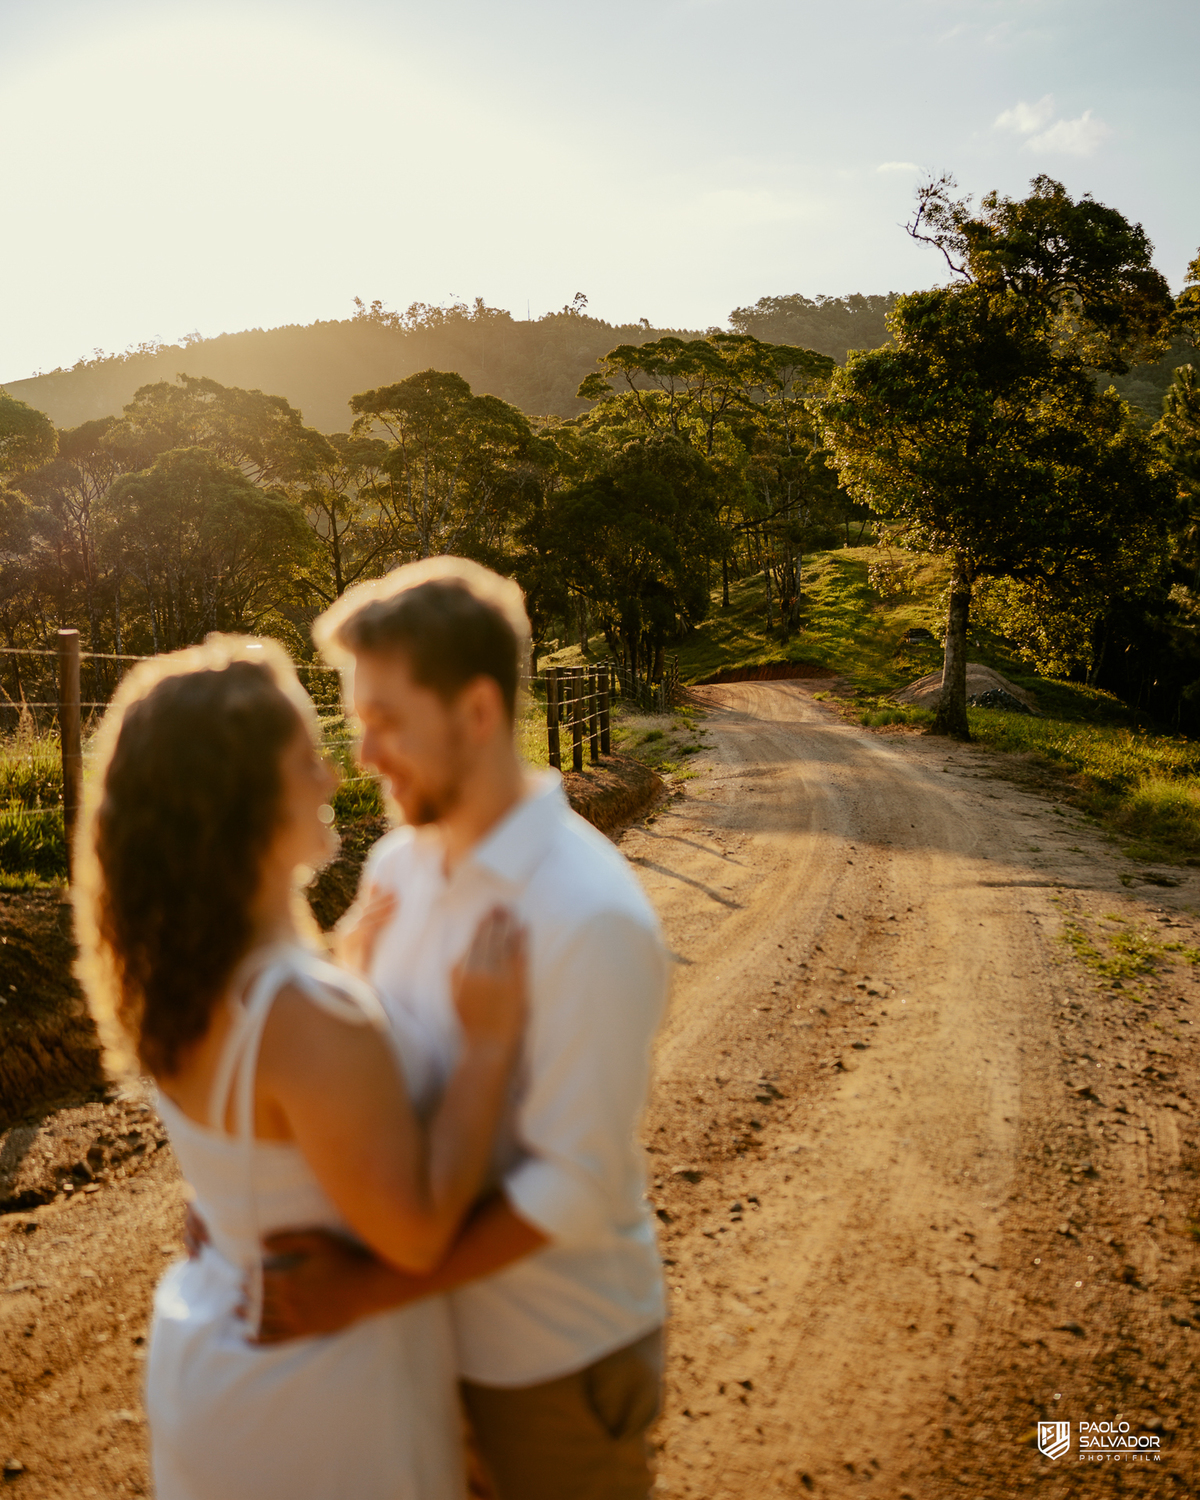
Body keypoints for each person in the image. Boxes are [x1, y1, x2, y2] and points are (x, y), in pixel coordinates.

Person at [73, 635, 526, 1500]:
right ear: (241, 803)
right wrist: (489, 1044)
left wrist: (346, 960)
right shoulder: (308, 1016)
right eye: (306, 759)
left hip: (215, 1356)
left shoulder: (177, 977)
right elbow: (419, 1231)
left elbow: (270, 1140)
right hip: (320, 1396)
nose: (331, 777)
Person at [255, 557, 671, 1500]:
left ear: (478, 715)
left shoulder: (587, 913)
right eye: (356, 723)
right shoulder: (398, 866)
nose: (362, 755)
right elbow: (363, 1078)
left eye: (386, 722)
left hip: (547, 1360)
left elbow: (570, 1187)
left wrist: (361, 1292)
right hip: (414, 1348)